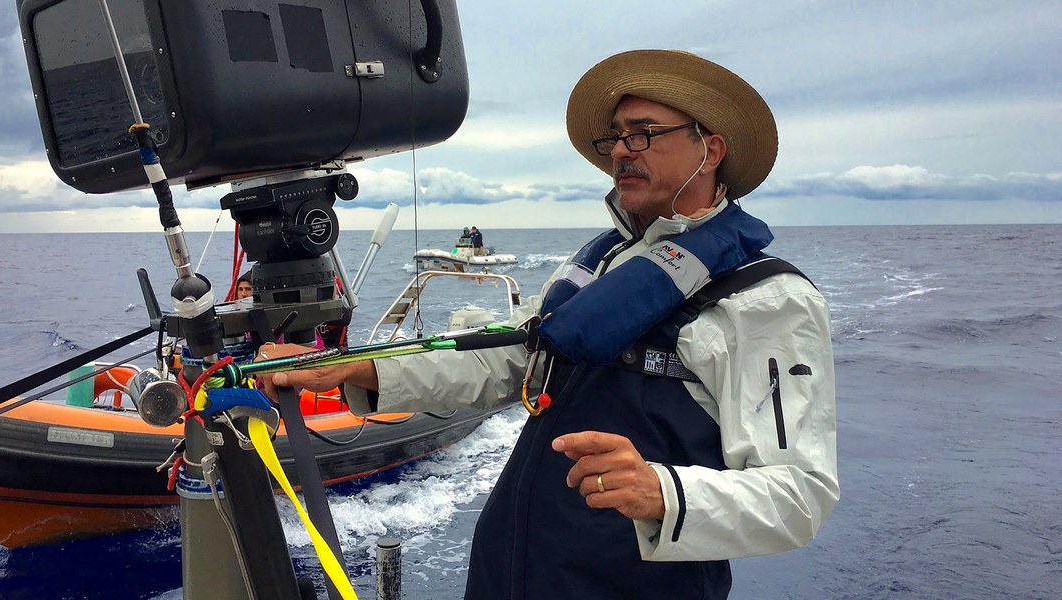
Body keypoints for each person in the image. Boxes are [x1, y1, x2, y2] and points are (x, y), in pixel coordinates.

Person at [259, 49, 837, 599]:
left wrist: (663, 491)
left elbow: (799, 496)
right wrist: (360, 368)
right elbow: (512, 361)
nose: (620, 151)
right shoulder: (602, 265)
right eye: (614, 137)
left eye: (643, 133)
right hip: (511, 571)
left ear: (709, 151)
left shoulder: (767, 301)